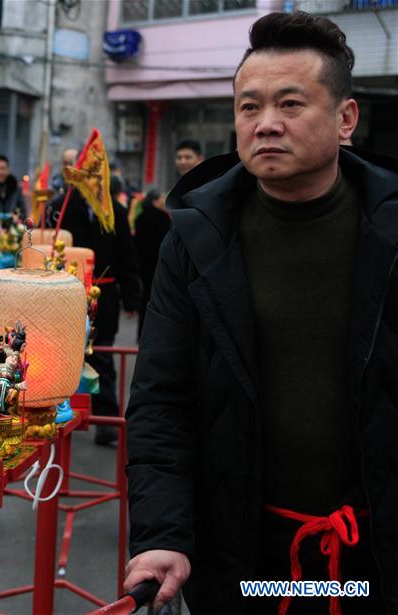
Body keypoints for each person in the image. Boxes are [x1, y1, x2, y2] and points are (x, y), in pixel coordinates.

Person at [124, 12, 397, 614]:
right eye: (249, 107)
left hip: (376, 561)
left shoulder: (392, 232)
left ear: (345, 119)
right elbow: (162, 402)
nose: (266, 124)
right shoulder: (194, 241)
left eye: (291, 104)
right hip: (244, 560)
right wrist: (163, 533)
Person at [47, 174, 140, 445]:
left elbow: (127, 255)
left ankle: (106, 422)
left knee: (102, 359)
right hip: (65, 293)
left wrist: (131, 296)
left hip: (104, 297)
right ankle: (54, 415)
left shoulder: (116, 212)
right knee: (59, 358)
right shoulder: (59, 208)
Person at [133, 190, 170, 339]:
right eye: (162, 197)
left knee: (145, 300)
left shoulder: (140, 217)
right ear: (156, 200)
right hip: (157, 265)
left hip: (142, 265)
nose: (164, 200)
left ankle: (140, 333)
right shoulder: (162, 218)